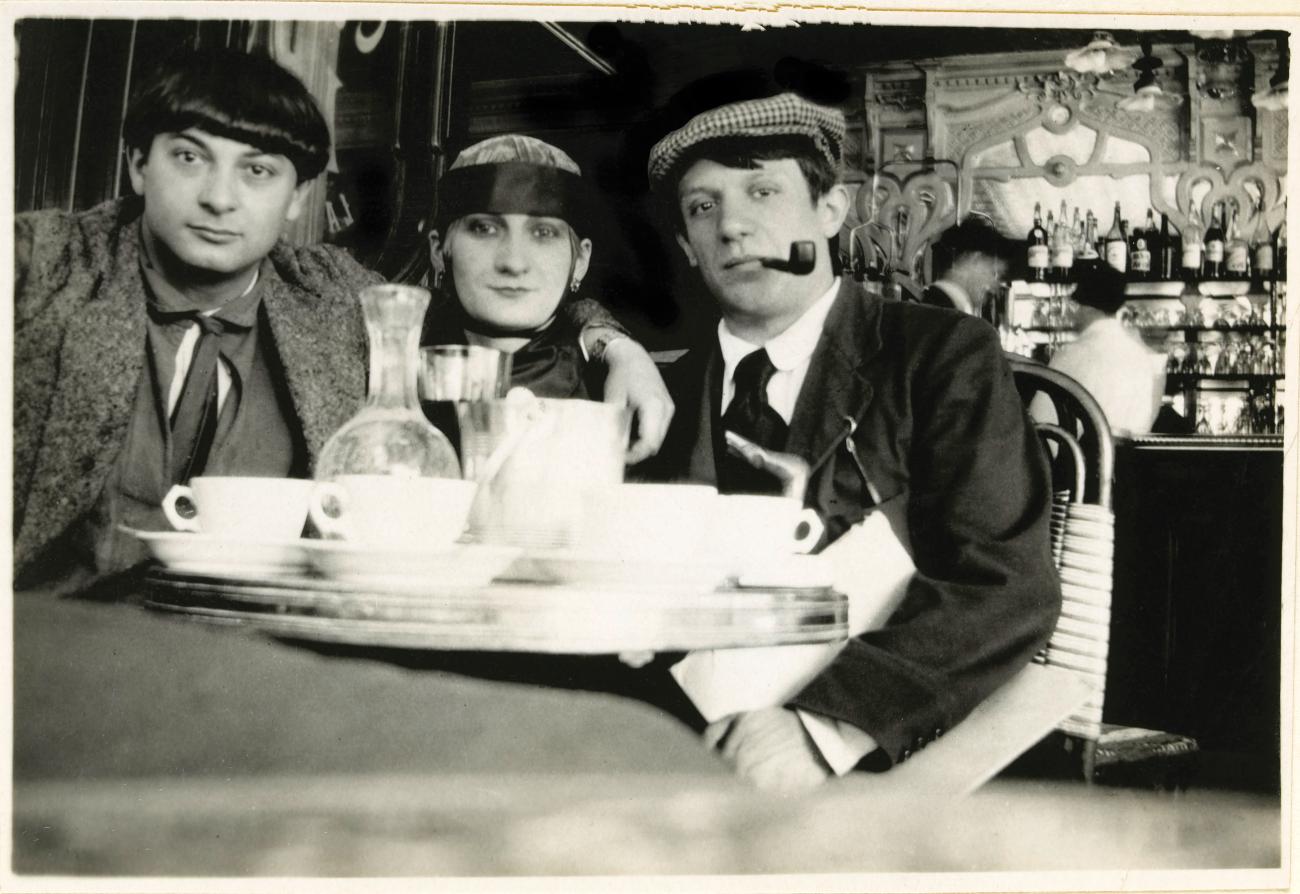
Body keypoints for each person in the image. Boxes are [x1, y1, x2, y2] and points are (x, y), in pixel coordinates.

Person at [12, 48, 671, 592]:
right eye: (189, 157)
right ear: (137, 164)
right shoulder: (43, 265)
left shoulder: (329, 297)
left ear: (298, 195)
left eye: (257, 170)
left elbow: (500, 303)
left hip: (261, 659)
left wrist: (617, 345)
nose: (219, 197)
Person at [637, 78, 1060, 791]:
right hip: (675, 760)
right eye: (703, 207)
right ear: (686, 245)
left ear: (831, 210)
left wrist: (822, 727)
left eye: (762, 192)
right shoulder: (659, 394)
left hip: (882, 764)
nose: (732, 226)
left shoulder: (938, 356)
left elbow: (1003, 586)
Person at [422, 134, 605, 399]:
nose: (513, 263)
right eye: (484, 229)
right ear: (439, 250)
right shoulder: (384, 370)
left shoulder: (617, 390)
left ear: (580, 261)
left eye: (543, 232)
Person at [1030, 265, 1166, 436]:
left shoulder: (1072, 354)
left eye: (1075, 305)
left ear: (1087, 308)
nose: (1072, 313)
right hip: (1127, 453)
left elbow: (1041, 424)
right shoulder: (1141, 356)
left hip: (1083, 453)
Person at [919, 216, 1013, 319]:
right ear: (975, 260)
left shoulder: (946, 305)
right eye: (992, 273)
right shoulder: (942, 310)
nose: (993, 287)